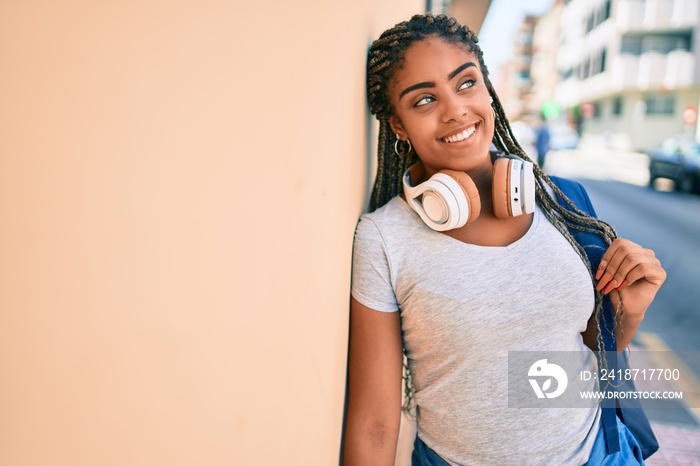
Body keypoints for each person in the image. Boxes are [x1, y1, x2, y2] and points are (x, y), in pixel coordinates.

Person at [342, 14, 666, 466]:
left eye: (466, 83)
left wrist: (630, 309)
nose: (455, 109)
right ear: (398, 126)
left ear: (487, 90)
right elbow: (374, 426)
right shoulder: (384, 238)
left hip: (599, 455)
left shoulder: (562, 202)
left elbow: (590, 345)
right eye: (424, 100)